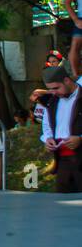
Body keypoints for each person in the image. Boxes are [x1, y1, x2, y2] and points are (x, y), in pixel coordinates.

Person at [38, 64, 81, 193]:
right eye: (50, 89)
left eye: (56, 88)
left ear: (67, 80)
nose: (54, 92)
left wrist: (80, 139)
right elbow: (46, 125)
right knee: (63, 201)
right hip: (62, 161)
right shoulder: (52, 101)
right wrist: (48, 138)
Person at [66, 0, 82, 79]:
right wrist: (76, 20)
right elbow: (67, 2)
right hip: (81, 18)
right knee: (75, 44)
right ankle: (77, 78)